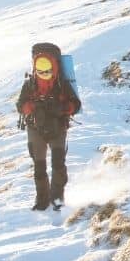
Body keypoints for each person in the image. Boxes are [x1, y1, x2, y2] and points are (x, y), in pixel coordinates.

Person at [17, 52, 82, 211]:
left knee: (58, 163)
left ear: (53, 69)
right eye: (40, 71)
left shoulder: (61, 84)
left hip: (58, 128)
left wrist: (64, 108)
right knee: (39, 166)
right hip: (35, 128)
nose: (43, 75)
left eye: (47, 71)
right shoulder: (30, 84)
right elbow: (20, 105)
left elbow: (76, 104)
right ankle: (42, 201)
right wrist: (32, 107)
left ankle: (57, 199)